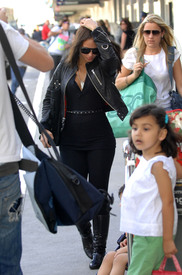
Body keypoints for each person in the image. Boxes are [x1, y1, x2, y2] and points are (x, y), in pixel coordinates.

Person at [40, 17, 128, 270]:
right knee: (76, 194)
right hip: (70, 139)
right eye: (86, 50)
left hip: (100, 137)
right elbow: (50, 98)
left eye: (94, 49)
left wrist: (97, 31)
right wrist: (46, 127)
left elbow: (111, 56)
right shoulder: (64, 68)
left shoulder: (103, 66)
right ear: (77, 47)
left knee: (99, 193)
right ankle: (86, 236)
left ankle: (100, 249)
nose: (91, 54)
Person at [0, 8, 54, 275]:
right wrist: (7, 28)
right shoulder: (1, 30)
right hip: (3, 167)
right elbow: (46, 62)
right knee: (8, 263)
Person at [120, 104, 182, 275]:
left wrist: (168, 240)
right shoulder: (150, 159)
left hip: (151, 234)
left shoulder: (158, 165)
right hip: (145, 232)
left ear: (162, 133)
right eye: (134, 128)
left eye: (146, 129)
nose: (138, 133)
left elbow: (168, 202)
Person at [115, 14, 182, 110]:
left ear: (162, 33)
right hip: (141, 112)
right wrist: (134, 75)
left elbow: (180, 86)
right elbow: (117, 84)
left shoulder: (171, 53)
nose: (151, 36)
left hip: (165, 110)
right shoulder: (134, 54)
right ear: (142, 33)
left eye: (155, 32)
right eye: (147, 32)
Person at [97, 185, 128, 275]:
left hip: (146, 251)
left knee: (119, 258)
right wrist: (127, 241)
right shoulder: (131, 219)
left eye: (125, 201)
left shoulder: (143, 220)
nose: (120, 204)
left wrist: (127, 248)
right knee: (109, 255)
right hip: (135, 248)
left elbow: (146, 242)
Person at [10, 28, 27, 94]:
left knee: (17, 83)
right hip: (15, 65)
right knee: (14, 82)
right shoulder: (14, 42)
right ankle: (12, 97)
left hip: (23, 66)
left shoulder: (25, 42)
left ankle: (12, 96)